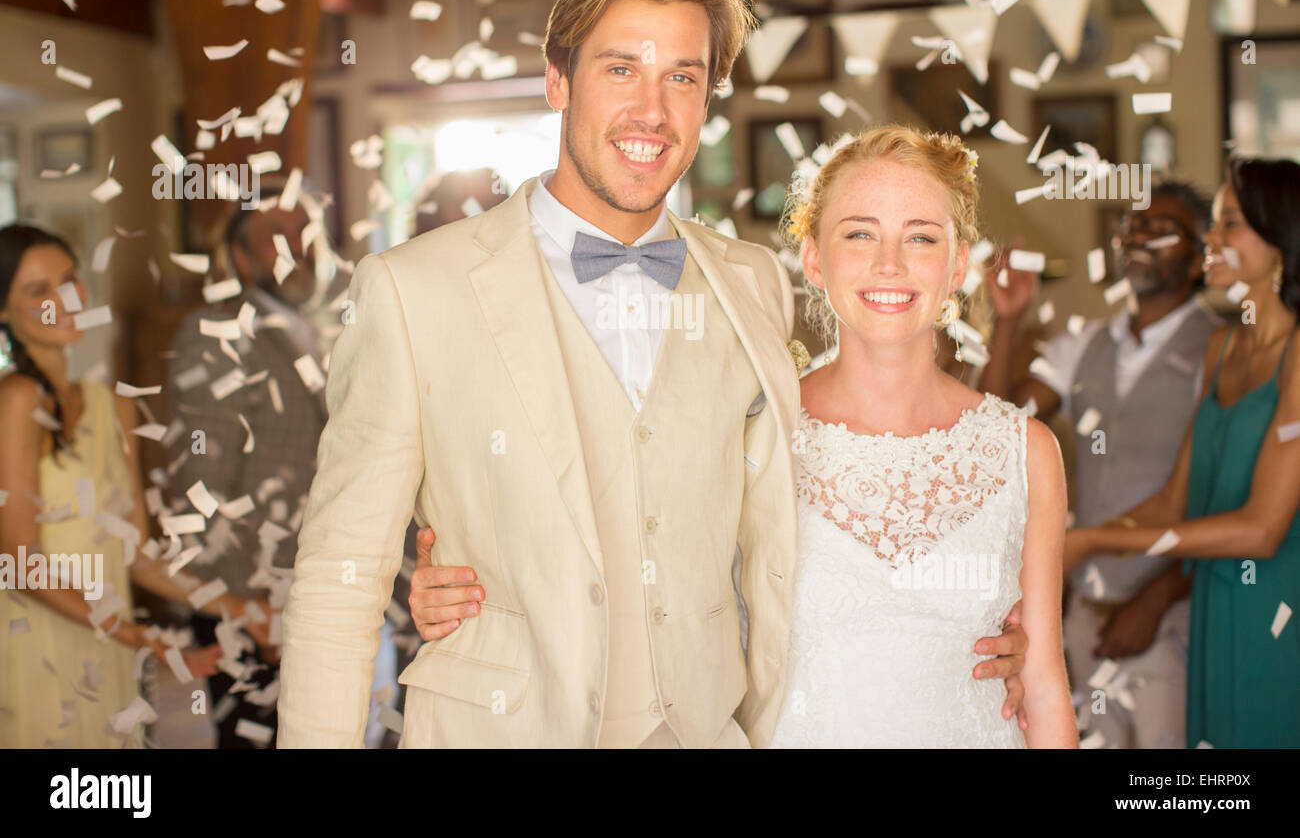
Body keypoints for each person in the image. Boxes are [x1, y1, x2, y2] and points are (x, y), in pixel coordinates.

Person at [278, 0, 1029, 749]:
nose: (653, 111)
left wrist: (961, 624)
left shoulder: (753, 283)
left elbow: (800, 510)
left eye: (682, 76)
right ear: (558, 80)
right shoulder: (411, 290)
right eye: (620, 70)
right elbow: (339, 579)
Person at [410, 125, 1075, 747]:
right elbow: (618, 559)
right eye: (860, 235)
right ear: (813, 259)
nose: (891, 264)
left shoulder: (1026, 453)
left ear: (958, 263)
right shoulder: (749, 425)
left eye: (923, 238)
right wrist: (470, 590)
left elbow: (1044, 683)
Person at [1064, 156, 1300, 748]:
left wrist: (1095, 540)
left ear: (1282, 237)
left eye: (1230, 223)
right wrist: (1065, 545)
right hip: (1219, 606)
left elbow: (1261, 530)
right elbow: (1175, 500)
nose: (1211, 240)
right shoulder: (1223, 348)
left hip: (1278, 604)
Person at [982, 182, 1220, 748]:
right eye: (1132, 227)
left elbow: (1226, 496)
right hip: (1085, 615)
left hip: (1174, 611)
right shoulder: (1083, 344)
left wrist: (1155, 600)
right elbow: (996, 430)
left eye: (1161, 230)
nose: (1139, 238)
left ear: (1198, 258)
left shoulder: (1220, 350)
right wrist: (1007, 320)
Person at [0, 224, 250, 747]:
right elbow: (19, 561)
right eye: (37, 290)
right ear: (4, 310)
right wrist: (137, 635)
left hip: (107, 646)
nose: (63, 299)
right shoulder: (16, 399)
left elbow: (138, 556)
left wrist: (240, 608)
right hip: (35, 648)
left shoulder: (110, 405)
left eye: (69, 279)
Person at [165, 187, 327, 747]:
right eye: (277, 237)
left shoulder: (320, 328)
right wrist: (246, 604)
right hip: (249, 596)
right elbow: (202, 486)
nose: (297, 250)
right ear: (239, 256)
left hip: (315, 586)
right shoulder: (214, 337)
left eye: (305, 233)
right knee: (252, 740)